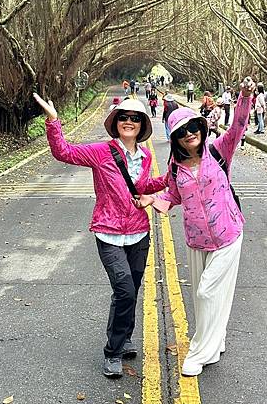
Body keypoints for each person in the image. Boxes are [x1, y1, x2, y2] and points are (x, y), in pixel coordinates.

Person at [32, 93, 167, 379]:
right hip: (108, 232)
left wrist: (168, 179)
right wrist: (53, 121)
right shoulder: (101, 151)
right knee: (124, 290)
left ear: (141, 125)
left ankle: (124, 337)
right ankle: (113, 352)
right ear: (115, 122)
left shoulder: (145, 157)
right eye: (123, 117)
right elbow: (64, 152)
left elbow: (143, 185)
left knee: (130, 290)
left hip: (139, 233)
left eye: (134, 118)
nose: (128, 122)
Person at [136, 77, 255, 377]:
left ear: (200, 128)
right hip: (196, 240)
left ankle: (200, 353)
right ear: (175, 138)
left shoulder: (218, 151)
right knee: (203, 298)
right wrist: (150, 200)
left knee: (206, 292)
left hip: (228, 234)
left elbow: (239, 125)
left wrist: (244, 95)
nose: (189, 134)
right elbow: (173, 197)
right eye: (181, 132)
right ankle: (217, 340)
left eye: (193, 128)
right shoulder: (176, 168)